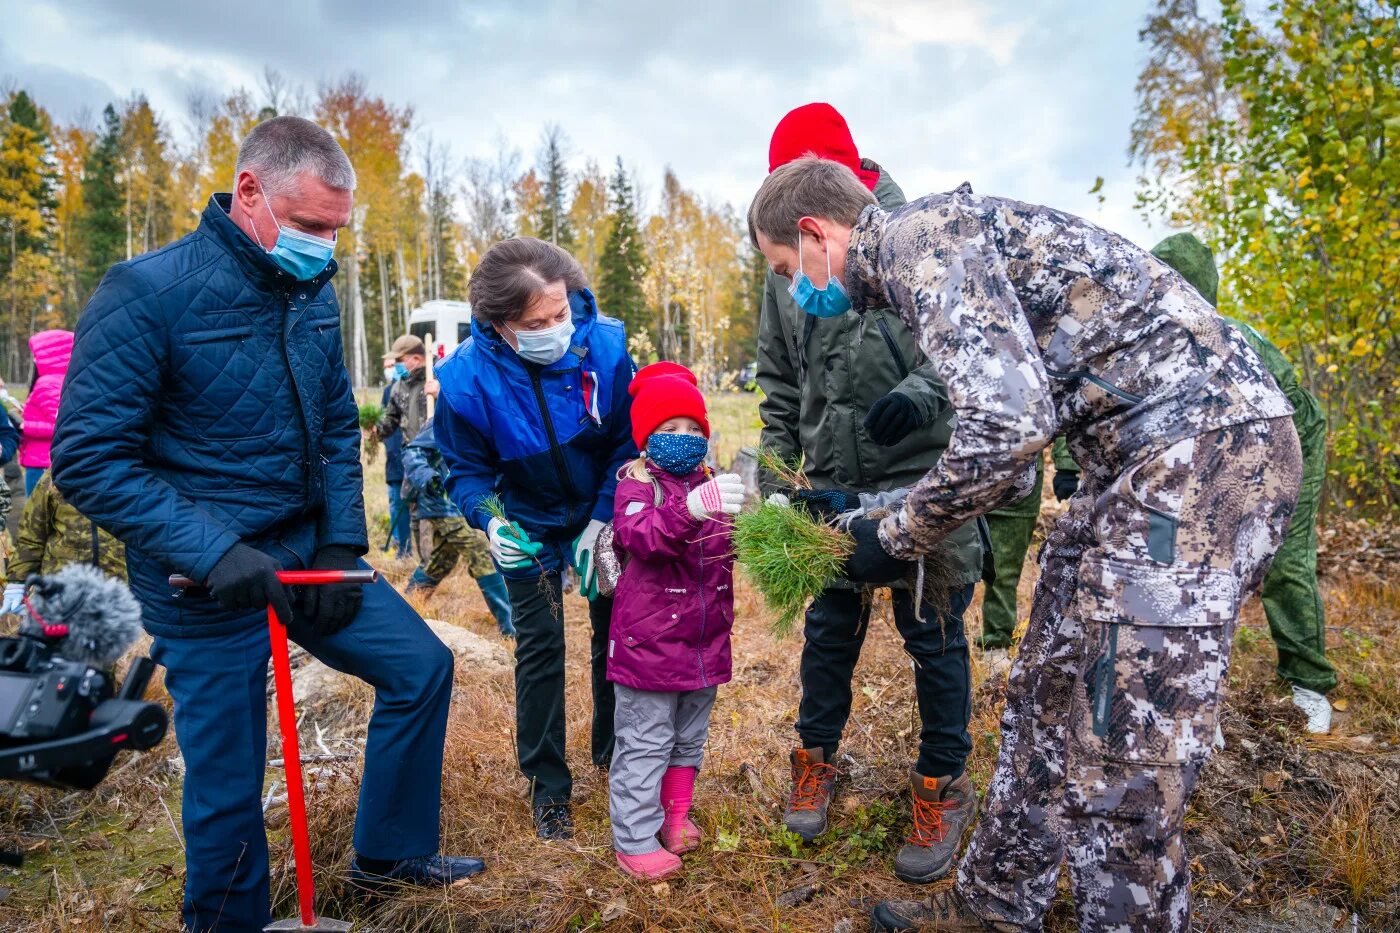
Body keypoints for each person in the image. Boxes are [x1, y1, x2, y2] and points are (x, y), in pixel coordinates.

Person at [746, 158, 1301, 932]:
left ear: (815, 233)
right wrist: (883, 516)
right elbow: (1011, 421)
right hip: (1125, 462)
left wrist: (896, 535)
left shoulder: (920, 240)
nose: (793, 289)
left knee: (1124, 751)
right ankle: (997, 905)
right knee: (1043, 696)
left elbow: (1006, 429)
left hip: (1199, 457)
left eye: (785, 268)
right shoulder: (915, 262)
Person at [50, 115, 483, 933]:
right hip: (203, 578)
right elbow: (89, 458)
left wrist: (342, 541)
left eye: (336, 228)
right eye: (311, 224)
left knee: (421, 665)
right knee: (228, 778)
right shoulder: (147, 294)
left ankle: (388, 853)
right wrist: (213, 550)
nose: (325, 244)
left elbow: (330, 428)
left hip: (307, 554)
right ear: (249, 190)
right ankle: (226, 920)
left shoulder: (311, 293)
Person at [755, 102, 985, 885]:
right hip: (829, 484)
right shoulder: (787, 268)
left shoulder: (915, 240)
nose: (790, 277)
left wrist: (919, 397)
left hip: (925, 479)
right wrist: (778, 475)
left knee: (936, 638)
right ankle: (816, 759)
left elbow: (962, 351)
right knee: (827, 636)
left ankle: (941, 782)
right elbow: (780, 380)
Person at [434, 236, 636, 839]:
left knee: (616, 634)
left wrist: (604, 517)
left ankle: (615, 753)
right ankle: (548, 787)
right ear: (499, 325)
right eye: (537, 323)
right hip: (527, 521)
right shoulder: (466, 380)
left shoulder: (604, 346)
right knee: (541, 649)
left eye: (562, 313)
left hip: (601, 508)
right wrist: (493, 522)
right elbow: (464, 472)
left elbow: (627, 442)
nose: (557, 330)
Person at [1151, 232, 1336, 733]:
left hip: (1292, 430)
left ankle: (1310, 683)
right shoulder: (1153, 339)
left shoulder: (1230, 337)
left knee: (1284, 557)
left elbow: (1280, 418)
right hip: (1225, 443)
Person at [605, 362, 744, 880]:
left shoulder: (710, 483)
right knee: (645, 740)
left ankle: (675, 817)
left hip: (704, 641)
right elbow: (642, 539)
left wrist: (760, 522)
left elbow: (724, 551)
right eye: (669, 429)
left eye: (693, 429)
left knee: (688, 736)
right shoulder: (636, 486)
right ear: (646, 438)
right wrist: (692, 508)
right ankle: (634, 838)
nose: (683, 439)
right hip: (650, 645)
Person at [400, 421, 516, 636]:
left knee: (441, 560)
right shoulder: (444, 419)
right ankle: (510, 625)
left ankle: (405, 608)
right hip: (440, 503)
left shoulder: (486, 418)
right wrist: (427, 477)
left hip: (463, 502)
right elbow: (412, 451)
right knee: (479, 550)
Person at [979, 438, 1079, 673]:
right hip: (964, 471)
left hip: (1021, 477)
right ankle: (940, 643)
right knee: (952, 563)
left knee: (1004, 570)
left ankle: (996, 644)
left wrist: (1067, 466)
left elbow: (1062, 408)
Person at [3, 469, 126, 615]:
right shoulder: (57, 475)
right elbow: (32, 534)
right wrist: (17, 582)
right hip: (60, 589)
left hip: (118, 590)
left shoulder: (132, 473)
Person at [376, 334, 434, 559]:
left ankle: (439, 559)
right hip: (411, 458)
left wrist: (441, 393)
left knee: (438, 512)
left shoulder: (436, 379)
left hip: (436, 457)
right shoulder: (397, 388)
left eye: (400, 361)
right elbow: (389, 421)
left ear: (417, 359)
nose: (397, 366)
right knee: (415, 512)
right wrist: (375, 429)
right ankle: (425, 561)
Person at [20, 329, 73, 496]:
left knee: (36, 515)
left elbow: (61, 427)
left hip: (41, 462)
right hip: (50, 460)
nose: (34, 359)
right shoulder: (63, 381)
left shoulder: (46, 383)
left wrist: (25, 426)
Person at [380, 366, 412, 557]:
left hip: (409, 455)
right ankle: (401, 544)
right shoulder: (388, 391)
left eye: (392, 365)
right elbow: (386, 424)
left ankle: (407, 547)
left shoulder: (418, 388)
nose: (389, 369)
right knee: (396, 502)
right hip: (393, 456)